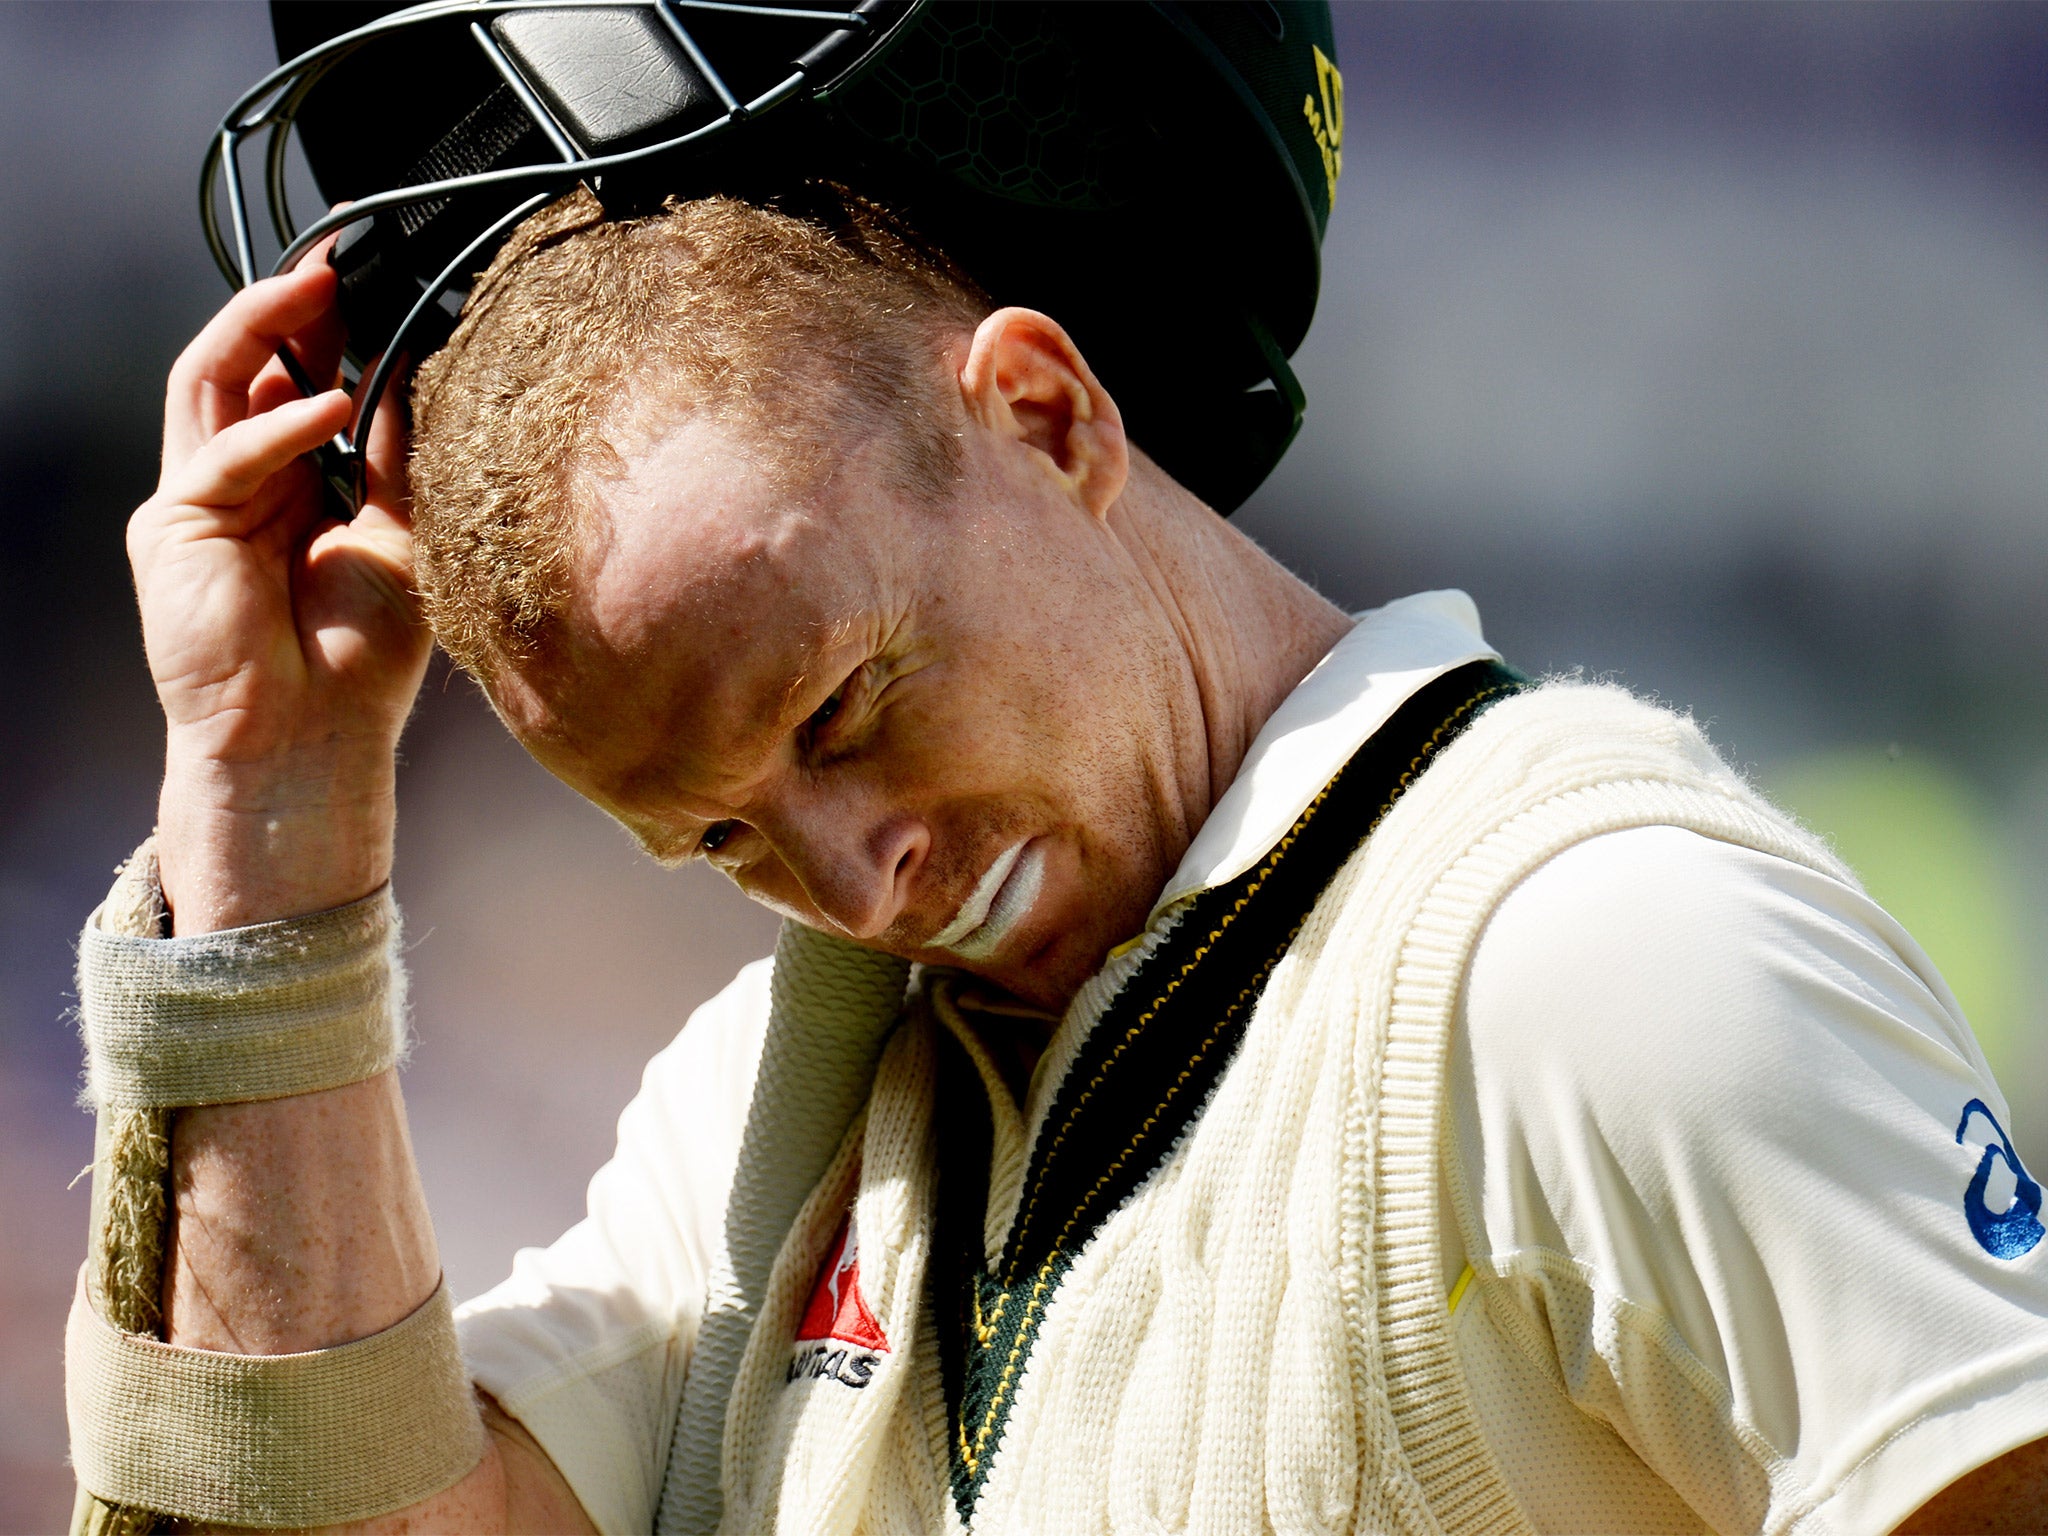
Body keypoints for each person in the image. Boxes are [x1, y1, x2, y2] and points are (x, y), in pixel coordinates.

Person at [73, 172, 2048, 1534]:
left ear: (1045, 412)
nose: (860, 885)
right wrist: (268, 804)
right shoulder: (783, 1111)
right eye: (723, 839)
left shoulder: (1600, 963)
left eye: (842, 712)